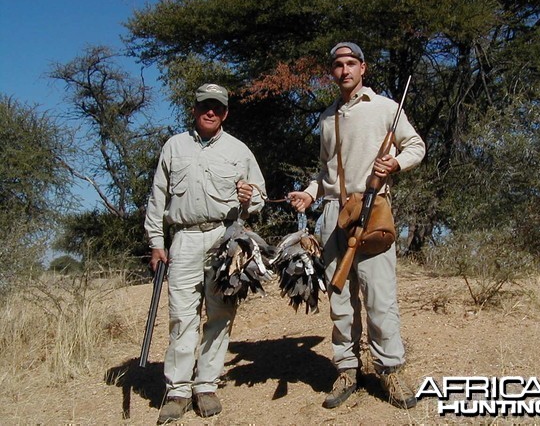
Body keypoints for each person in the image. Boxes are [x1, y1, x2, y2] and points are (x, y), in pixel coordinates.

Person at [288, 42, 425, 409]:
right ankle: (347, 369)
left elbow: (415, 145)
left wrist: (395, 165)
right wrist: (310, 194)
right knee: (341, 299)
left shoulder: (384, 108)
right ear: (331, 72)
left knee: (379, 297)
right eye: (338, 65)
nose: (344, 70)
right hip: (334, 214)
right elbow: (325, 170)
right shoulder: (326, 117)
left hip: (373, 209)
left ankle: (390, 371)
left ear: (363, 68)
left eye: (351, 63)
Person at [144, 83, 266, 424]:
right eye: (204, 106)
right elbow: (157, 199)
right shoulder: (174, 146)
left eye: (217, 107)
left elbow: (259, 196)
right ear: (194, 109)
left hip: (223, 239)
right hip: (182, 239)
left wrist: (249, 197)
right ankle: (178, 391)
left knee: (219, 313)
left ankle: (206, 386)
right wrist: (157, 242)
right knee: (181, 316)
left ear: (225, 112)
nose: (210, 111)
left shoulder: (238, 150)